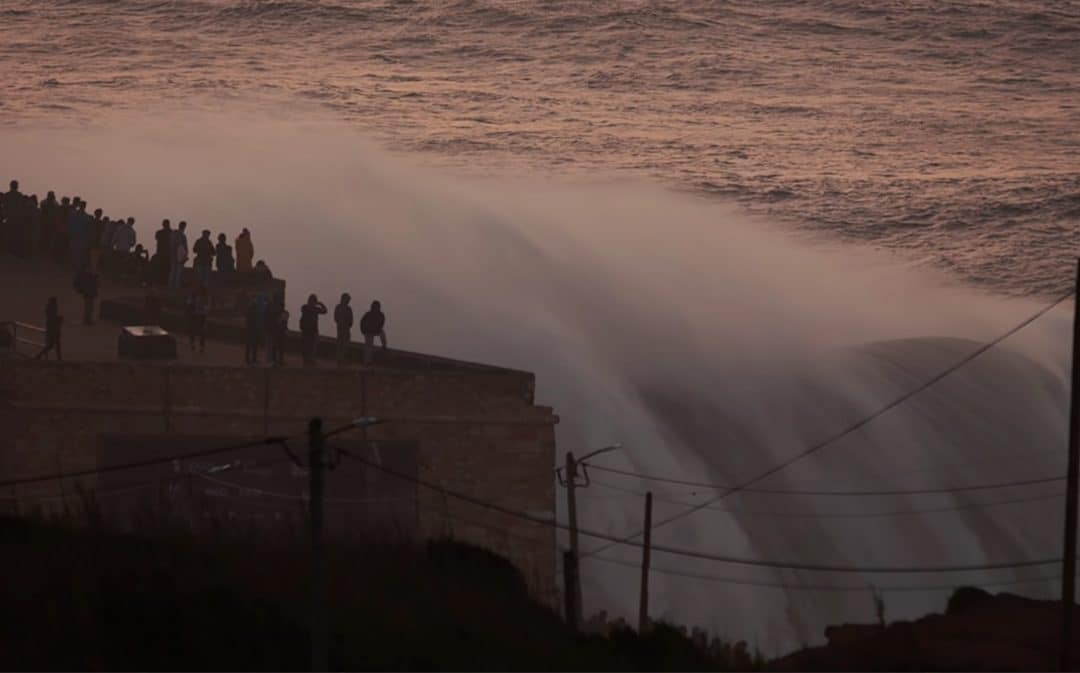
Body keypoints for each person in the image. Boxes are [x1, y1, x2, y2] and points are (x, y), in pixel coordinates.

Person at [299, 294, 327, 367]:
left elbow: (325, 311)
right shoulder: (306, 308)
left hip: (312, 330)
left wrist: (320, 304)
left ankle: (309, 360)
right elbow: (324, 311)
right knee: (307, 346)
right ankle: (307, 360)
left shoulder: (309, 308)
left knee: (312, 346)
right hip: (307, 330)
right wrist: (319, 304)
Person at [360, 300, 388, 365]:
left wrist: (378, 329)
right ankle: (367, 361)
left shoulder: (381, 315)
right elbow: (362, 322)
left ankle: (384, 346)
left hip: (375, 330)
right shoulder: (368, 314)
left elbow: (382, 323)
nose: (376, 308)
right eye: (375, 307)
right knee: (369, 345)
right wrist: (363, 330)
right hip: (368, 331)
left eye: (377, 307)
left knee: (382, 333)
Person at [186, 285, 209, 353]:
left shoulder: (205, 297)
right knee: (193, 330)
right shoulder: (193, 295)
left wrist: (202, 308)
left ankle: (201, 347)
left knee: (202, 332)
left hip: (201, 316)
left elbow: (207, 307)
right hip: (194, 315)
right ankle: (192, 344)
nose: (198, 291)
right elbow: (188, 303)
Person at [333, 293, 353, 367]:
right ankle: (340, 359)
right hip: (342, 329)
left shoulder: (343, 308)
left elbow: (336, 318)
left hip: (344, 329)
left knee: (343, 344)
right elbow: (336, 318)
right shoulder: (344, 308)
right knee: (341, 344)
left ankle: (341, 359)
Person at [169, 220, 189, 289]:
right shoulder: (181, 235)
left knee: (174, 271)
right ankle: (175, 286)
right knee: (178, 271)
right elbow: (184, 247)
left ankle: (171, 285)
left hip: (174, 255)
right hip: (178, 256)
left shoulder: (174, 234)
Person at [244, 294, 263, 365]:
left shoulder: (251, 308)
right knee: (253, 344)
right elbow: (254, 318)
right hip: (253, 328)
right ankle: (252, 359)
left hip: (251, 328)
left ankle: (249, 359)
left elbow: (249, 319)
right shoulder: (254, 308)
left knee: (250, 344)